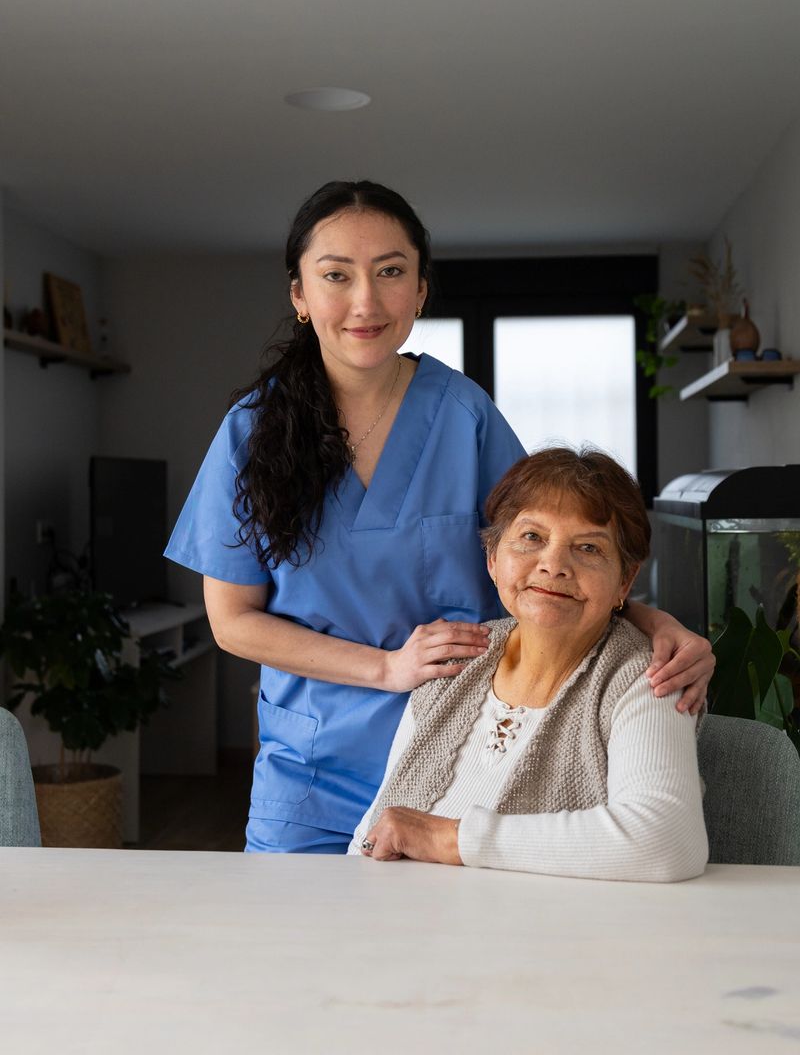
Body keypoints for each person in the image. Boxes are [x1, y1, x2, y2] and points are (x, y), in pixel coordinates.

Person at [165, 180, 714, 855]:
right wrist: (385, 669)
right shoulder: (250, 433)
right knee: (296, 954)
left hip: (464, 762)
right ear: (300, 296)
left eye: (391, 272)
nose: (365, 302)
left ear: (420, 290)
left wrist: (655, 622)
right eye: (336, 275)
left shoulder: (463, 415)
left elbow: (546, 556)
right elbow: (232, 621)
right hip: (309, 778)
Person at [352, 448, 708, 881]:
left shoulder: (648, 676)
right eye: (532, 538)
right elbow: (374, 830)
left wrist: (449, 839)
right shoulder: (452, 661)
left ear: (625, 581)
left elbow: (666, 841)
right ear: (492, 560)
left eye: (589, 547)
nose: (554, 565)